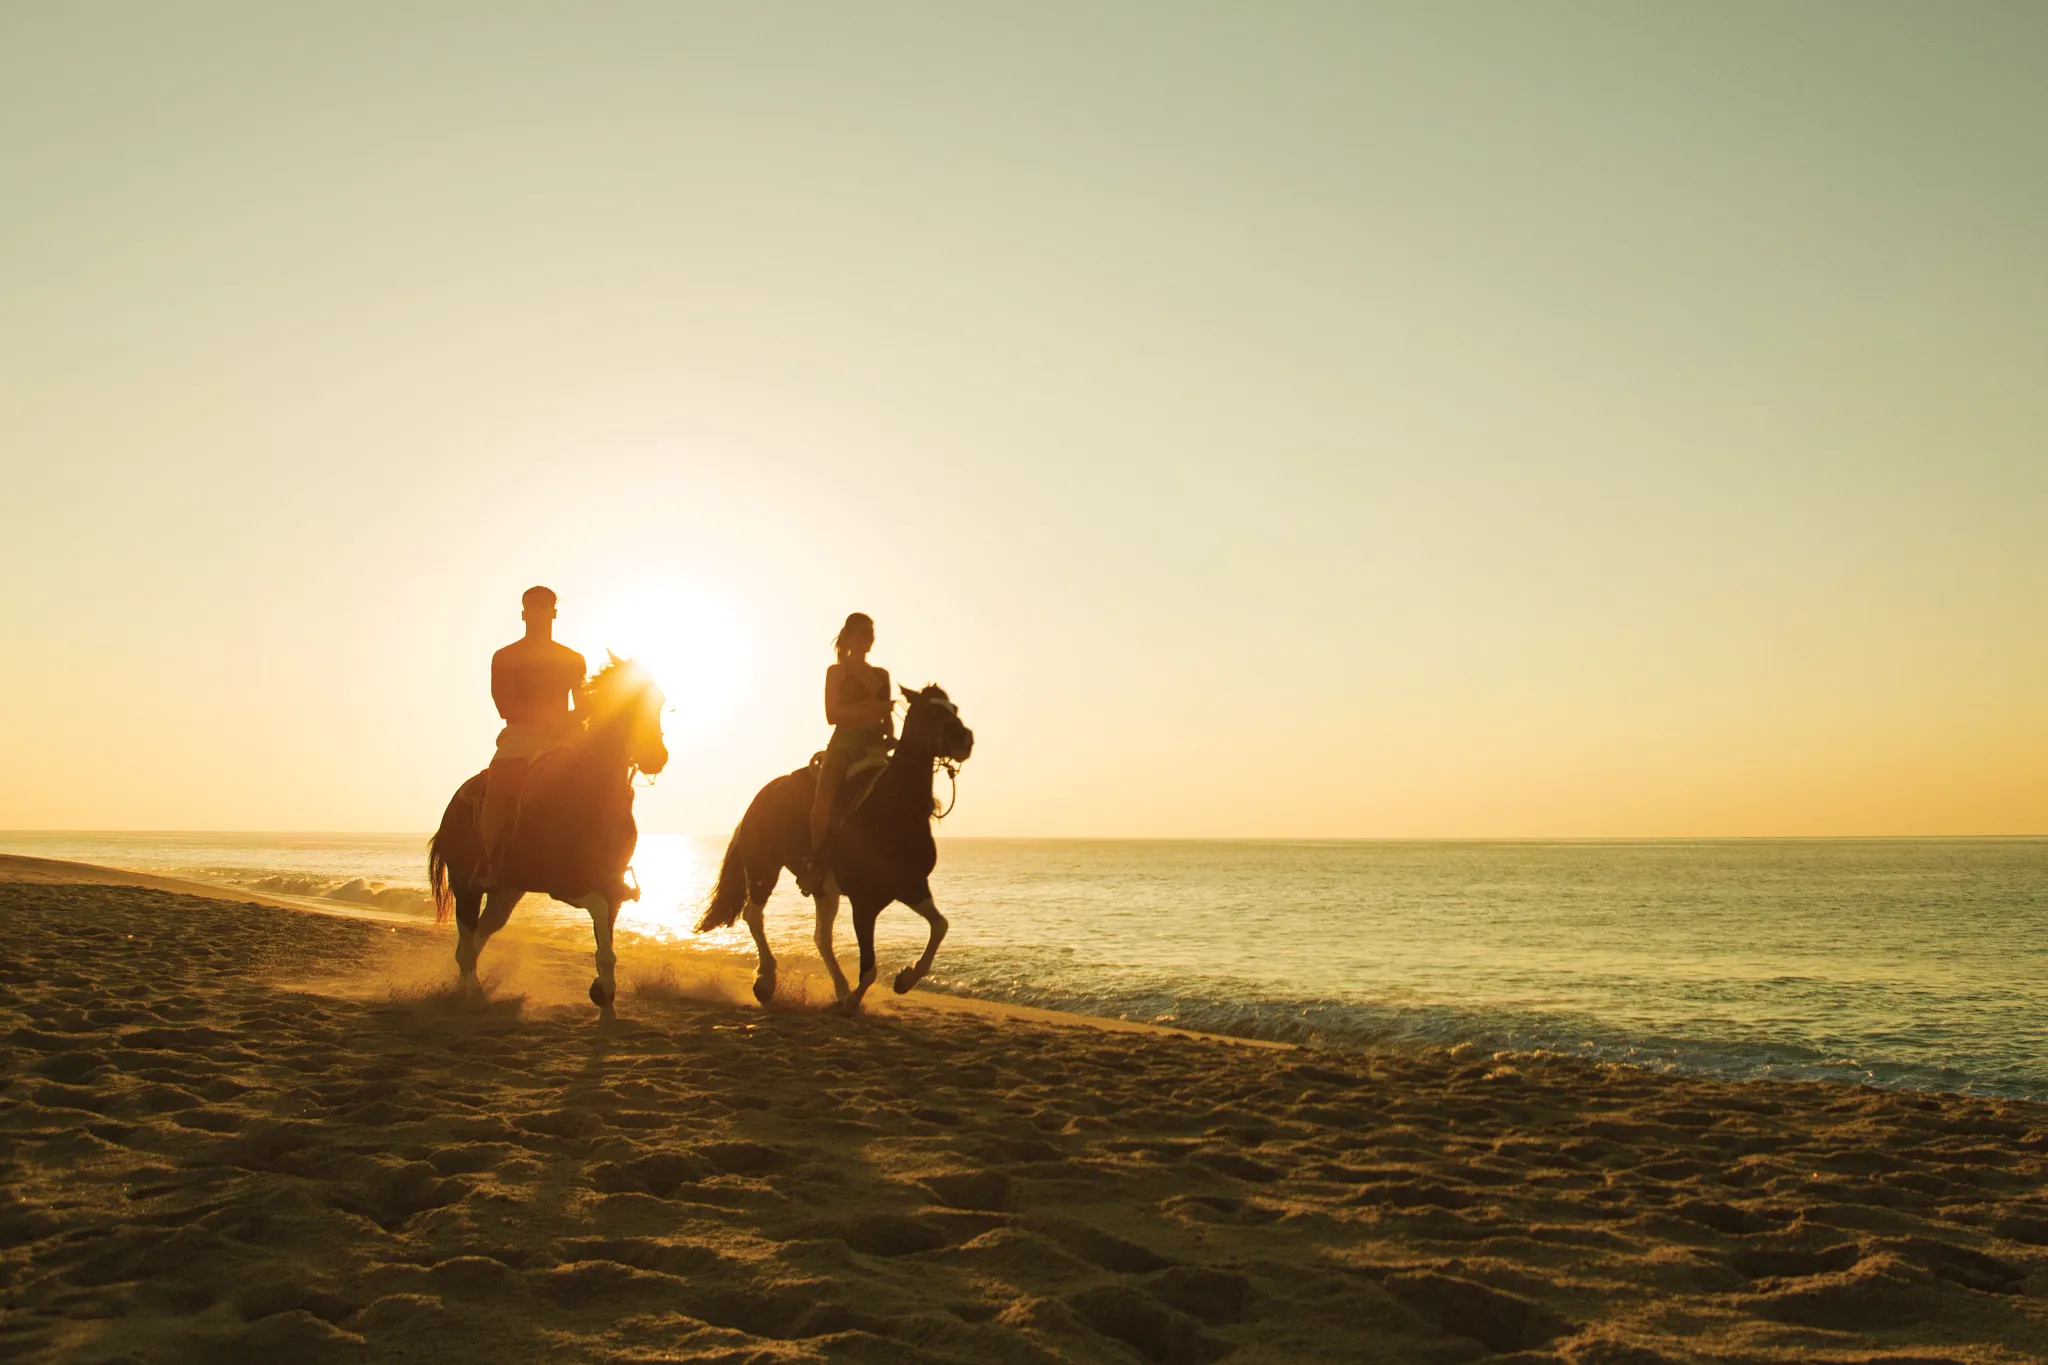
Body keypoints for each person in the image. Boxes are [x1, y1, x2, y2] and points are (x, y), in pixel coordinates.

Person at [479, 586, 588, 888]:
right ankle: (489, 861)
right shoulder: (505, 656)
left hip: (564, 737)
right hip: (521, 735)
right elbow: (505, 705)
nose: (539, 612)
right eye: (533, 607)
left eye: (545, 606)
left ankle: (607, 864)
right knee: (499, 789)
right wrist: (552, 720)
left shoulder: (573, 659)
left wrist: (572, 722)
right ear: (524, 614)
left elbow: (584, 706)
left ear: (553, 613)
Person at [795, 612, 893, 895]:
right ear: (849, 637)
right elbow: (832, 715)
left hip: (875, 745)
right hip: (844, 745)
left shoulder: (881, 675)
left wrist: (890, 737)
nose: (869, 637)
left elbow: (887, 722)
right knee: (823, 800)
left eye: (872, 632)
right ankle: (816, 866)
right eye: (864, 632)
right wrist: (871, 709)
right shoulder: (836, 673)